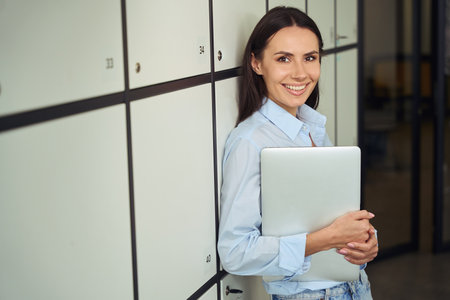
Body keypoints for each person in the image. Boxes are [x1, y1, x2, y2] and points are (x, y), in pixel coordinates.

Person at [217, 6, 378, 300]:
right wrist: (320, 241)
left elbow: (334, 215)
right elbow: (235, 252)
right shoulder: (250, 142)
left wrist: (366, 241)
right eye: (283, 59)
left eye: (310, 58)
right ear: (256, 63)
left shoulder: (311, 127)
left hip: (355, 287)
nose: (300, 73)